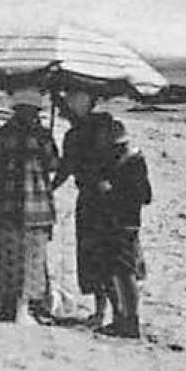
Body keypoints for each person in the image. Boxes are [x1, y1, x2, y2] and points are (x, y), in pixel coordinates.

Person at [0, 88, 59, 325]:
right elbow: (53, 164)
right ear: (35, 111)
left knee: (3, 253)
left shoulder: (1, 135)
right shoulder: (41, 136)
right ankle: (21, 309)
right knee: (29, 258)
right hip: (34, 207)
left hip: (3, 203)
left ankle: (0, 305)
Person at [53, 89, 118, 327]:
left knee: (93, 255)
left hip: (91, 198)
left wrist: (49, 188)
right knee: (109, 254)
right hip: (113, 197)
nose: (61, 113)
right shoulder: (106, 126)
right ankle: (109, 311)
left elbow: (66, 169)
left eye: (64, 108)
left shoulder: (75, 135)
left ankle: (102, 312)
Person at [99, 121, 153, 338]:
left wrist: (110, 191)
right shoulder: (135, 161)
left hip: (122, 222)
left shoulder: (129, 164)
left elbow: (141, 195)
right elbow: (145, 196)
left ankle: (130, 321)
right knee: (122, 271)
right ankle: (125, 318)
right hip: (127, 222)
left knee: (124, 272)